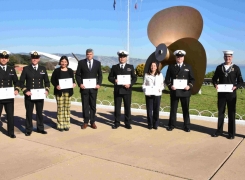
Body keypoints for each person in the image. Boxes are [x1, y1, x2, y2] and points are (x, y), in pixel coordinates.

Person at [212, 50, 243, 139]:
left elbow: (240, 81)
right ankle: (219, 131)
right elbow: (214, 79)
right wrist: (215, 85)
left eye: (229, 57)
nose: (227, 58)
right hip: (221, 94)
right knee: (221, 112)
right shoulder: (219, 67)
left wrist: (236, 86)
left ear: (232, 57)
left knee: (231, 113)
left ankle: (231, 133)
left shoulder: (236, 68)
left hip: (231, 94)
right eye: (226, 56)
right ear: (224, 57)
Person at [19, 51, 50, 136]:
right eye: (33, 58)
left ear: (39, 59)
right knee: (29, 112)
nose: (34, 59)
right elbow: (21, 82)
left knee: (39, 112)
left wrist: (47, 90)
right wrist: (25, 91)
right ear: (31, 59)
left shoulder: (42, 69)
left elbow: (47, 82)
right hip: (29, 95)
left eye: (36, 58)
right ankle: (28, 129)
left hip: (39, 95)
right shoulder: (26, 69)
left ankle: (40, 128)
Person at [165, 50, 195, 132]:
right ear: (176, 58)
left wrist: (189, 86)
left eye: (181, 57)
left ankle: (187, 126)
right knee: (173, 109)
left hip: (185, 92)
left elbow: (192, 79)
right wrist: (171, 86)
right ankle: (171, 125)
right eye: (178, 57)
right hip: (175, 91)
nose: (179, 58)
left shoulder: (188, 67)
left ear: (183, 58)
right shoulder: (171, 67)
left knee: (185, 109)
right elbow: (167, 79)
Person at [108, 50, 137, 129]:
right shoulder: (114, 67)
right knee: (117, 107)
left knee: (127, 107)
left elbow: (134, 78)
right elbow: (109, 77)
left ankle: (127, 123)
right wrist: (114, 80)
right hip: (118, 90)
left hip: (127, 90)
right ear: (118, 58)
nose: (122, 59)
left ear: (126, 58)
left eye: (123, 57)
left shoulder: (130, 67)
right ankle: (117, 122)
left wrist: (130, 84)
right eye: (120, 57)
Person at [75, 49, 102, 129]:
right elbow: (77, 75)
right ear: (86, 55)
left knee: (93, 105)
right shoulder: (81, 63)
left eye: (90, 54)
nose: (89, 55)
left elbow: (100, 75)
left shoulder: (97, 63)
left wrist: (99, 84)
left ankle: (92, 121)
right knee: (85, 105)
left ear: (93, 54)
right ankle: (86, 121)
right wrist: (80, 83)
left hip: (94, 88)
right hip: (84, 88)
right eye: (87, 54)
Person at [51, 56, 76, 132]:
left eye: (65, 62)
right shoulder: (57, 71)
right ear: (60, 62)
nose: (63, 63)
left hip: (68, 92)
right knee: (60, 108)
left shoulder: (70, 71)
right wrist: (56, 85)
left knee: (67, 108)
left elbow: (73, 80)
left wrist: (74, 84)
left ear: (67, 62)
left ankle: (67, 124)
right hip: (60, 92)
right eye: (62, 61)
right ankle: (60, 124)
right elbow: (52, 80)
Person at [0, 50, 20, 138]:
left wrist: (16, 89)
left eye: (5, 58)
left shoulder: (11, 69)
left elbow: (16, 81)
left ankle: (11, 132)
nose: (3, 59)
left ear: (8, 59)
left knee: (10, 115)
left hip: (8, 97)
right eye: (2, 58)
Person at [142, 61, 164, 130]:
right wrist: (145, 90)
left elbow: (163, 84)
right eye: (152, 66)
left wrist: (160, 89)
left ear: (157, 67)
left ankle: (155, 123)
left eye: (154, 66)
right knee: (149, 109)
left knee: (156, 109)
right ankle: (150, 123)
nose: (153, 67)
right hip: (149, 94)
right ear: (150, 67)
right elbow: (144, 84)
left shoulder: (160, 74)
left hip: (157, 94)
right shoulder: (146, 74)